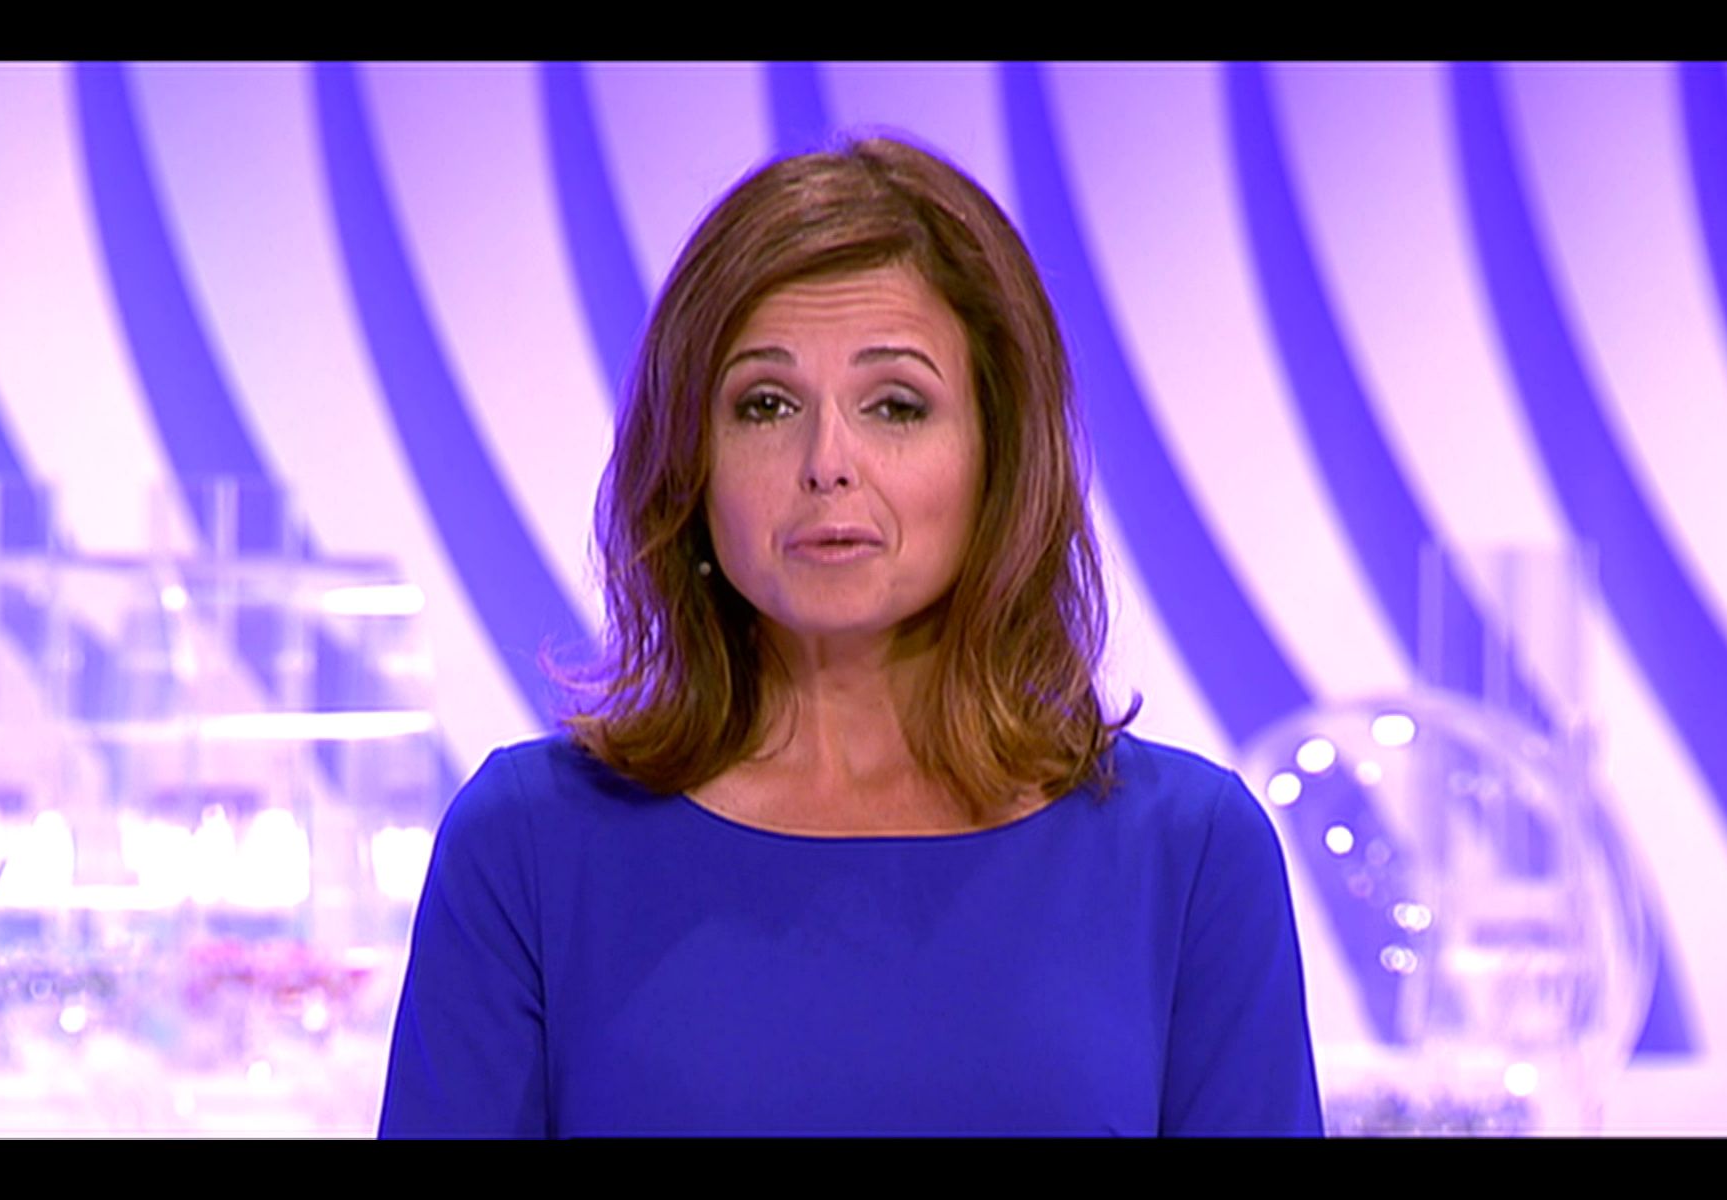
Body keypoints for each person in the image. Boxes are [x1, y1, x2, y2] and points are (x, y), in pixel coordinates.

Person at [378, 135, 1321, 1137]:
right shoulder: (527, 847)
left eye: (896, 406)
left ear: (998, 458)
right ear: (690, 463)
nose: (827, 461)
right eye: (766, 404)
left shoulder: (1191, 858)